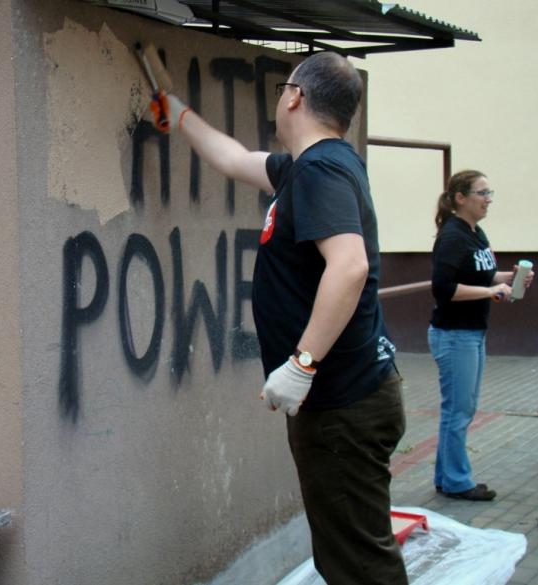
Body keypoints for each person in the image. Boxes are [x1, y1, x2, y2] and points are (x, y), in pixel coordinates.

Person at [152, 52, 407, 584]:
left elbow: (350, 265)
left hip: (343, 404)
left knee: (359, 565)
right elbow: (234, 158)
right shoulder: (307, 168)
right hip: (351, 399)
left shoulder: (320, 170)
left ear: (295, 96)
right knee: (350, 553)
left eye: (281, 89)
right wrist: (179, 114)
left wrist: (303, 363)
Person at [429, 170, 532, 501]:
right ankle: (458, 482)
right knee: (459, 411)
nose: (489, 199)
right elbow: (443, 289)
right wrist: (491, 292)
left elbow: (481, 273)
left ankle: (447, 477)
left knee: (458, 410)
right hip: (455, 334)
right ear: (461, 197)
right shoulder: (452, 237)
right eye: (482, 193)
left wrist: (508, 277)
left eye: (491, 193)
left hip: (471, 333)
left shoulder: (475, 233)